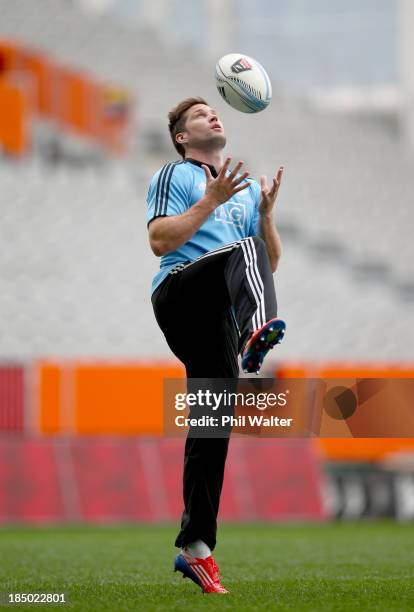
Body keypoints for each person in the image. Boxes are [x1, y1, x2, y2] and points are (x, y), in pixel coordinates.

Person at [146, 97, 286, 594]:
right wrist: (210, 201)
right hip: (181, 292)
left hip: (219, 317)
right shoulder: (177, 175)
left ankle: (197, 550)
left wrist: (266, 214)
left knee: (211, 427)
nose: (213, 114)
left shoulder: (245, 192)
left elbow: (268, 262)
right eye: (200, 114)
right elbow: (160, 241)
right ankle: (259, 332)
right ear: (182, 137)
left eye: (215, 110)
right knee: (242, 252)